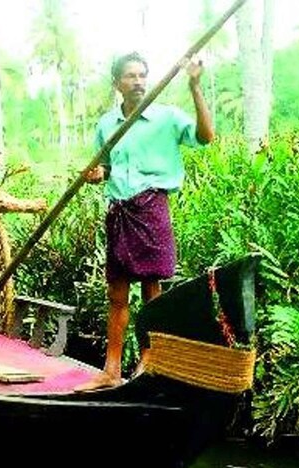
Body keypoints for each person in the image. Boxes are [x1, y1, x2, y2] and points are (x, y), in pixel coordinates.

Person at [75, 51, 215, 391]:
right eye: (130, 76)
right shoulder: (108, 124)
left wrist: (195, 86)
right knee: (116, 294)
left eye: (142, 75)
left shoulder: (167, 117)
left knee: (153, 291)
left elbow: (205, 137)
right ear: (117, 84)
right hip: (120, 211)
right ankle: (110, 369)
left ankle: (149, 363)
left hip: (152, 207)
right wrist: (98, 174)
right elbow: (108, 167)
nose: (138, 82)